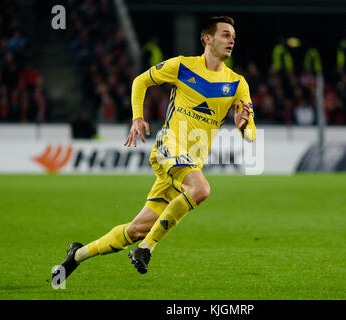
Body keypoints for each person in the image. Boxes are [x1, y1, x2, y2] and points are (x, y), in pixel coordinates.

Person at [52, 16, 256, 284]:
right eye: (225, 34)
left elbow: (251, 133)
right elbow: (140, 81)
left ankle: (76, 255)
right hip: (168, 147)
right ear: (207, 39)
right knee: (201, 190)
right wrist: (138, 116)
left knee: (137, 228)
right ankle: (147, 248)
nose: (232, 40)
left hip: (188, 164)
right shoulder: (182, 65)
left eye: (233, 36)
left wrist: (243, 128)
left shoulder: (237, 83)